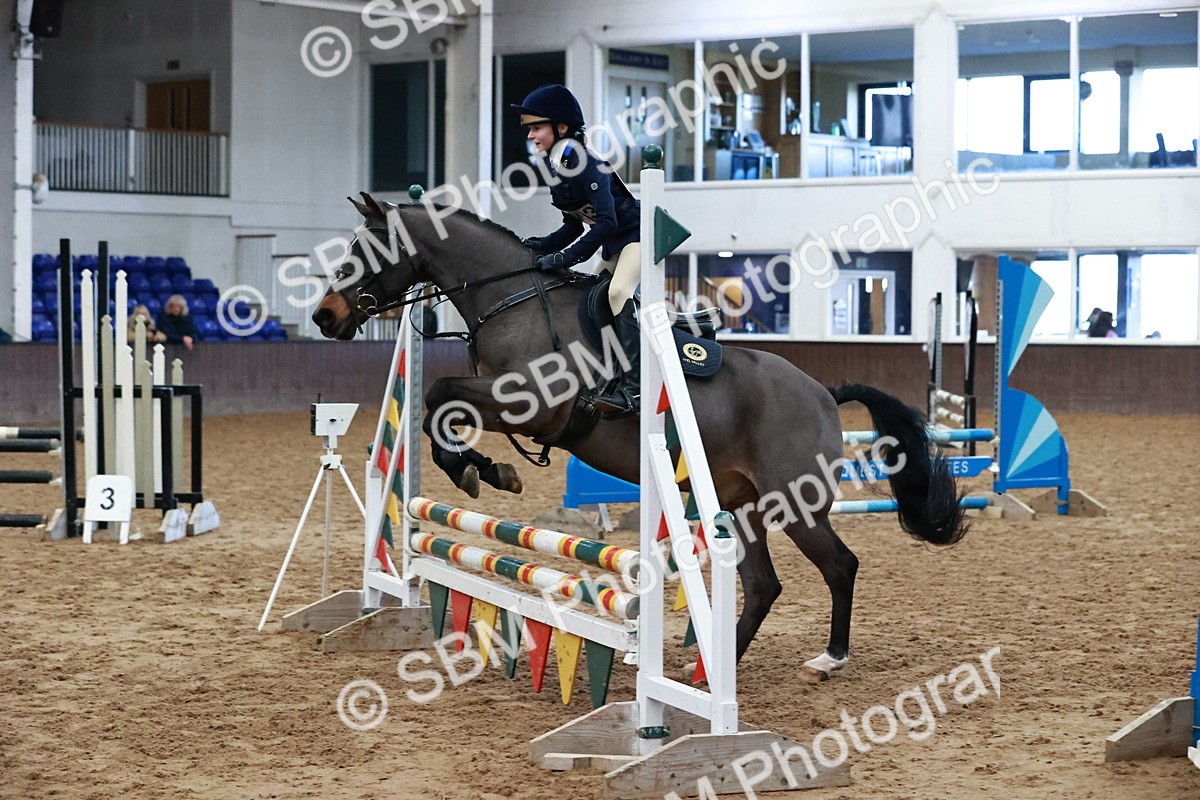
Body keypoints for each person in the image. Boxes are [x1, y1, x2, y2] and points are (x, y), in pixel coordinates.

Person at [512, 84, 642, 414]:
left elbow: (607, 223)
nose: (531, 135)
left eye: (536, 127)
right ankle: (608, 372)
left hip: (641, 237)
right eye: (529, 128)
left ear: (562, 128)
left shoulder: (588, 166)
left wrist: (569, 257)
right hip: (616, 245)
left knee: (617, 294)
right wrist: (539, 247)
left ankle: (636, 386)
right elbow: (572, 225)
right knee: (589, 298)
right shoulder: (557, 169)